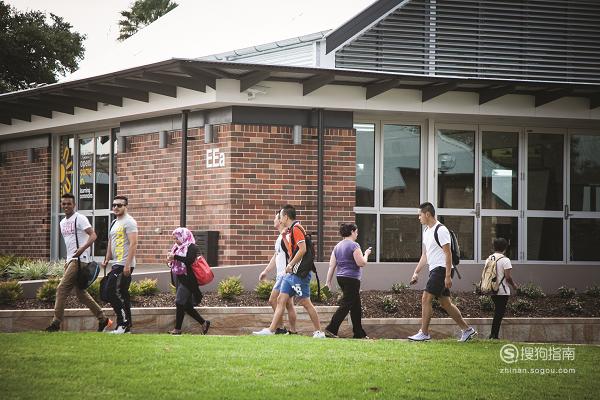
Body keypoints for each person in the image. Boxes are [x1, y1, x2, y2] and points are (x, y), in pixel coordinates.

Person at [408, 202, 477, 342]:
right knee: (446, 304)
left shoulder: (441, 230)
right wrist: (416, 272)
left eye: (420, 215)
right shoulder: (427, 231)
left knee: (426, 298)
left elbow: (448, 254)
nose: (418, 218)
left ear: (427, 214)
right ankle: (467, 330)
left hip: (442, 270)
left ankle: (424, 333)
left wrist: (447, 276)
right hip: (435, 270)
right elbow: (425, 255)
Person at [253, 205, 325, 338]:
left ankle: (319, 331)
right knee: (280, 299)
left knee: (304, 302)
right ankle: (271, 330)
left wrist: (290, 264)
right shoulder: (290, 231)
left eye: (280, 216)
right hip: (290, 274)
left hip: (299, 274)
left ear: (286, 216)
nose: (279, 219)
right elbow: (293, 251)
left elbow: (302, 249)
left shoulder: (297, 228)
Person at [45, 193, 112, 332]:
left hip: (80, 260)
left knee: (61, 289)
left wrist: (82, 249)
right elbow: (69, 243)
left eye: (69, 203)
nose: (66, 206)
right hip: (71, 260)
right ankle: (103, 319)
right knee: (81, 294)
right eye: (64, 203)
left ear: (74, 205)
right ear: (61, 205)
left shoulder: (80, 218)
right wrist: (68, 261)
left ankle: (55, 323)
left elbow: (93, 235)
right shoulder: (62, 222)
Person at [324, 223, 371, 339]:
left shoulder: (337, 246)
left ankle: (359, 333)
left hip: (341, 278)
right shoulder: (354, 245)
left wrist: (328, 282)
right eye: (356, 232)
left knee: (356, 306)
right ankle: (331, 329)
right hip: (352, 279)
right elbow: (361, 263)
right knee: (346, 304)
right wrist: (366, 254)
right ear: (352, 231)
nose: (357, 234)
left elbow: (331, 266)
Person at [102, 195, 138, 334]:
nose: (116, 207)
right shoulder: (114, 223)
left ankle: (122, 324)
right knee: (122, 294)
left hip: (124, 264)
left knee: (112, 292)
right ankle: (127, 327)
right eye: (114, 205)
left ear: (125, 206)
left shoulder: (129, 222)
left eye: (119, 205)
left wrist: (127, 265)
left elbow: (134, 243)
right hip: (117, 263)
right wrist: (106, 258)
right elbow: (111, 242)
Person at [257, 210, 297, 334]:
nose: (274, 220)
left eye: (276, 218)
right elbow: (276, 256)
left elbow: (292, 254)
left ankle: (280, 328)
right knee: (288, 304)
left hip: (285, 275)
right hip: (282, 275)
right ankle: (291, 330)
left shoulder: (286, 237)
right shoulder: (280, 237)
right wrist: (266, 271)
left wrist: (289, 271)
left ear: (280, 220)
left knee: (273, 299)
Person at [166, 227, 210, 335]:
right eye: (174, 238)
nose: (175, 241)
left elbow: (189, 260)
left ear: (184, 236)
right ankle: (204, 323)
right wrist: (169, 261)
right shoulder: (176, 247)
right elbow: (173, 262)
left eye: (177, 238)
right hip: (178, 278)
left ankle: (177, 329)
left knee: (179, 301)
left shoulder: (192, 247)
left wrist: (175, 257)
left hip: (188, 279)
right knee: (186, 305)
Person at [486, 237, 518, 339]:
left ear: (494, 247)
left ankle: (494, 335)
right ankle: (493, 335)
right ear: (505, 248)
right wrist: (514, 286)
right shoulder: (505, 260)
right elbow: (508, 277)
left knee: (497, 313)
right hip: (502, 291)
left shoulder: (489, 259)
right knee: (499, 314)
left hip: (492, 289)